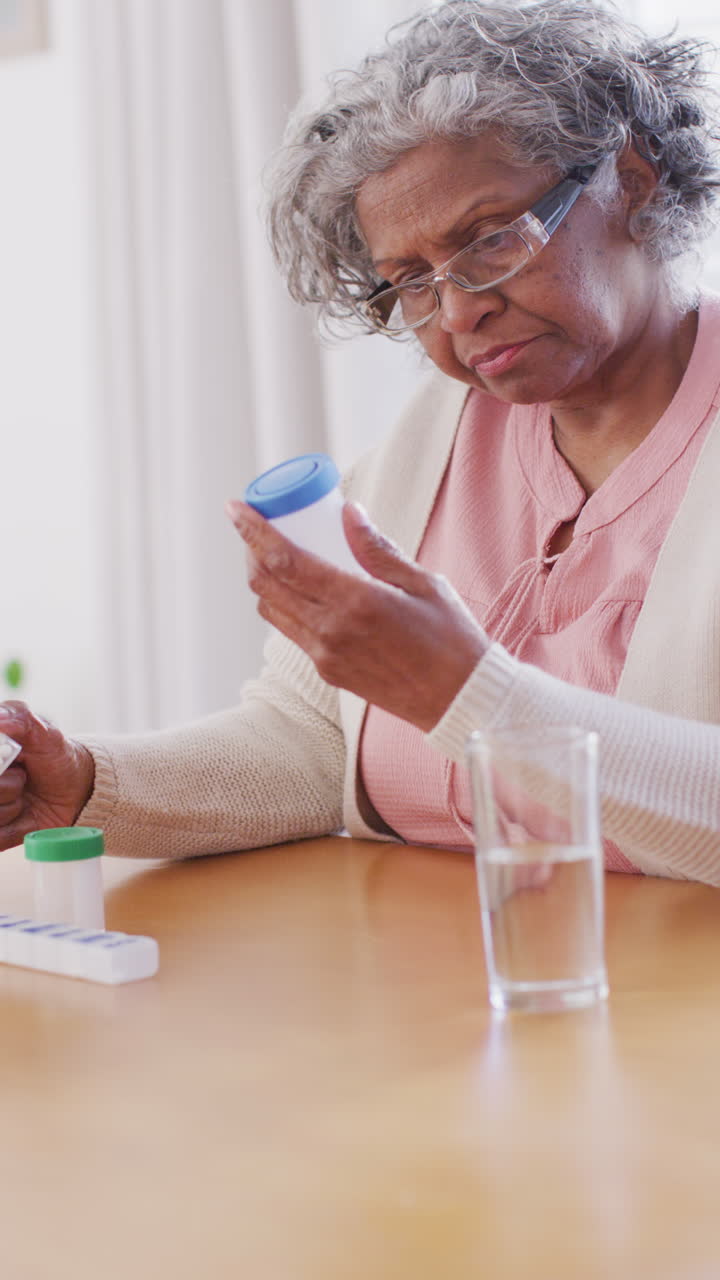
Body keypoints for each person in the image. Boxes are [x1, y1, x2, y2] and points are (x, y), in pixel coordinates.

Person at [1, 0, 720, 881]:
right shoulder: (440, 434)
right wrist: (85, 783)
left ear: (633, 182)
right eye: (411, 281)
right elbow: (313, 738)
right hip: (425, 969)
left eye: (490, 239)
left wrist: (467, 692)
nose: (457, 312)